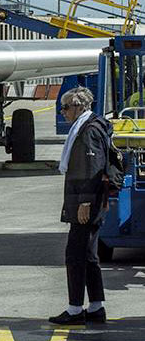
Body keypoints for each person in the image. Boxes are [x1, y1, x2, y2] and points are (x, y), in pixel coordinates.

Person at [48, 86, 111, 325]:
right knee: (89, 255)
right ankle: (96, 306)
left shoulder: (88, 132)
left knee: (75, 255)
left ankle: (75, 309)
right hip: (91, 201)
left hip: (85, 203)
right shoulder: (90, 126)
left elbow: (92, 169)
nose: (62, 112)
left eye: (65, 108)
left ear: (78, 107)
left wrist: (85, 201)